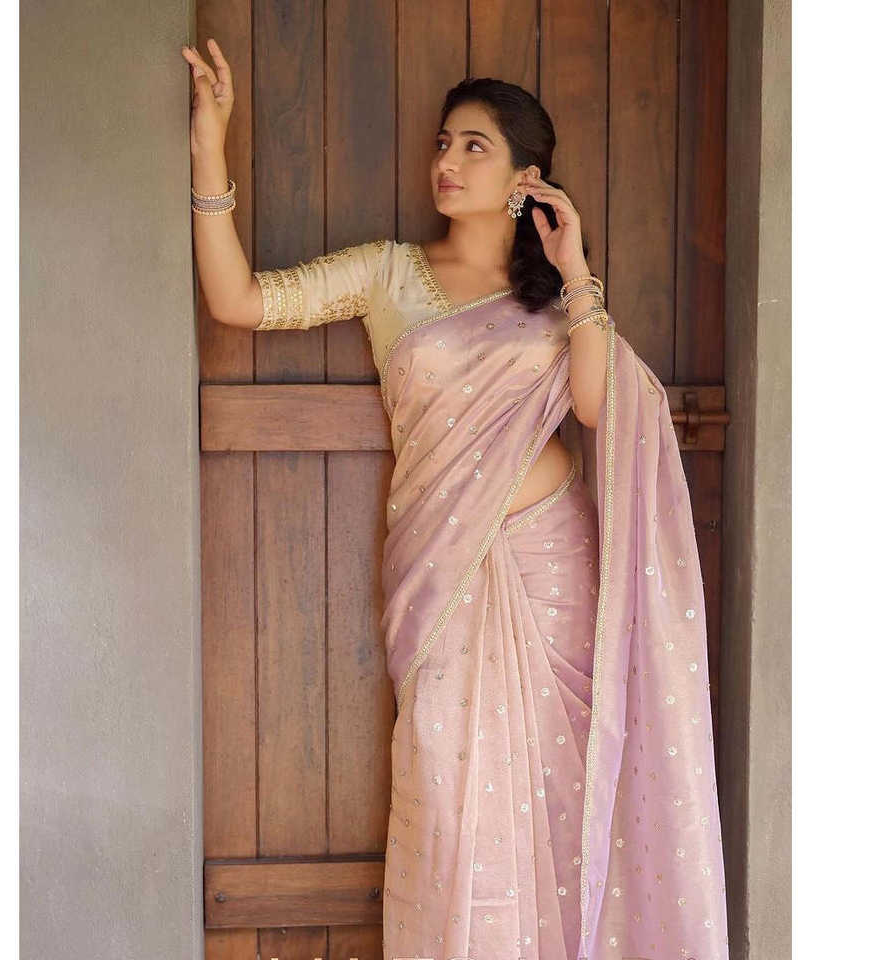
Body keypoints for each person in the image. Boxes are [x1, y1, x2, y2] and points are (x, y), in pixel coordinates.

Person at [183, 40, 730, 960]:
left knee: (563, 791)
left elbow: (600, 406)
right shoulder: (389, 273)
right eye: (444, 142)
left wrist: (577, 270)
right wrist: (210, 149)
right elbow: (239, 301)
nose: (447, 160)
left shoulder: (555, 301)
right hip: (442, 580)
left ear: (526, 179)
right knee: (449, 796)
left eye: (475, 146)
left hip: (554, 576)